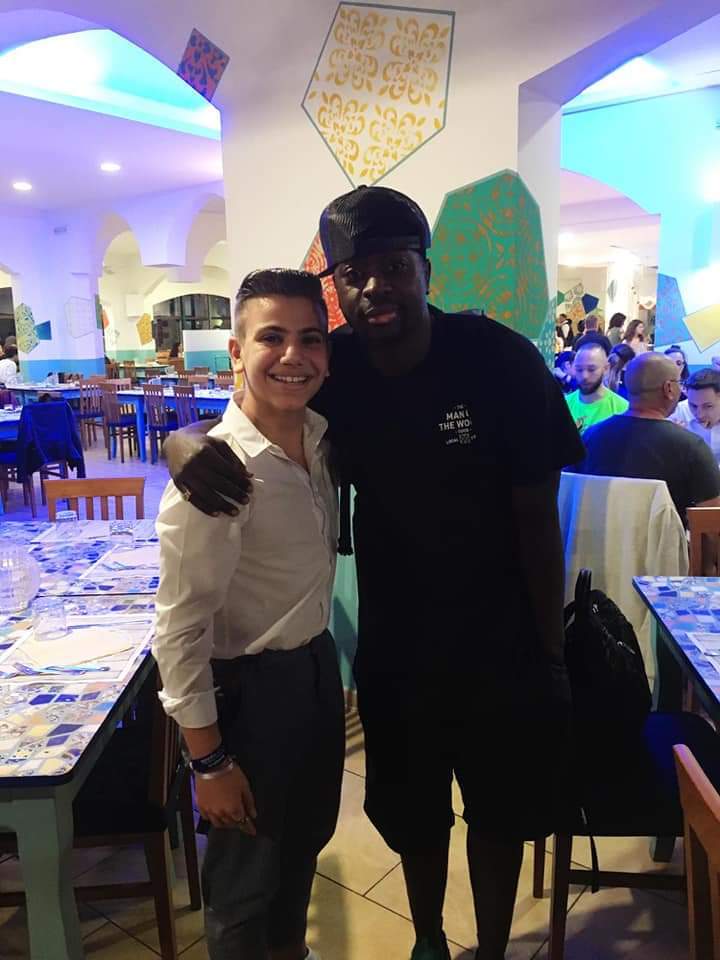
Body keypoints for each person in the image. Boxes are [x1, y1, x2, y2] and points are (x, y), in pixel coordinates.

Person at [165, 184, 585, 960]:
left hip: (502, 641)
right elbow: (257, 408)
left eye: (393, 266)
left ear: (425, 268)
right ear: (338, 286)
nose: (374, 287)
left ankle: (492, 950)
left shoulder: (499, 360)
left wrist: (550, 655)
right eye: (354, 274)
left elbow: (538, 519)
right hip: (396, 645)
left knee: (498, 814)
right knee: (413, 812)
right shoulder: (340, 366)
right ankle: (428, 940)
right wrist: (181, 442)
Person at [153, 269, 344, 960]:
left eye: (310, 339)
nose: (293, 355)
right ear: (237, 351)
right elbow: (178, 631)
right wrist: (208, 761)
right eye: (271, 338)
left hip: (315, 672)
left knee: (301, 847)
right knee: (242, 887)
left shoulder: (320, 437)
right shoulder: (215, 474)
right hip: (247, 695)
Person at [579, 353, 720, 525]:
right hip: (665, 542)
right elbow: (709, 525)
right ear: (669, 388)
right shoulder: (692, 448)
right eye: (678, 382)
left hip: (597, 539)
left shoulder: (590, 436)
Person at [566, 341, 628, 434]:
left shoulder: (622, 409)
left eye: (591, 369)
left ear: (606, 369)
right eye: (579, 369)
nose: (585, 376)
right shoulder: (564, 404)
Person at [671, 367, 720, 464]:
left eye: (708, 406)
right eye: (693, 406)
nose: (699, 415)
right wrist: (673, 440)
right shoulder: (677, 413)